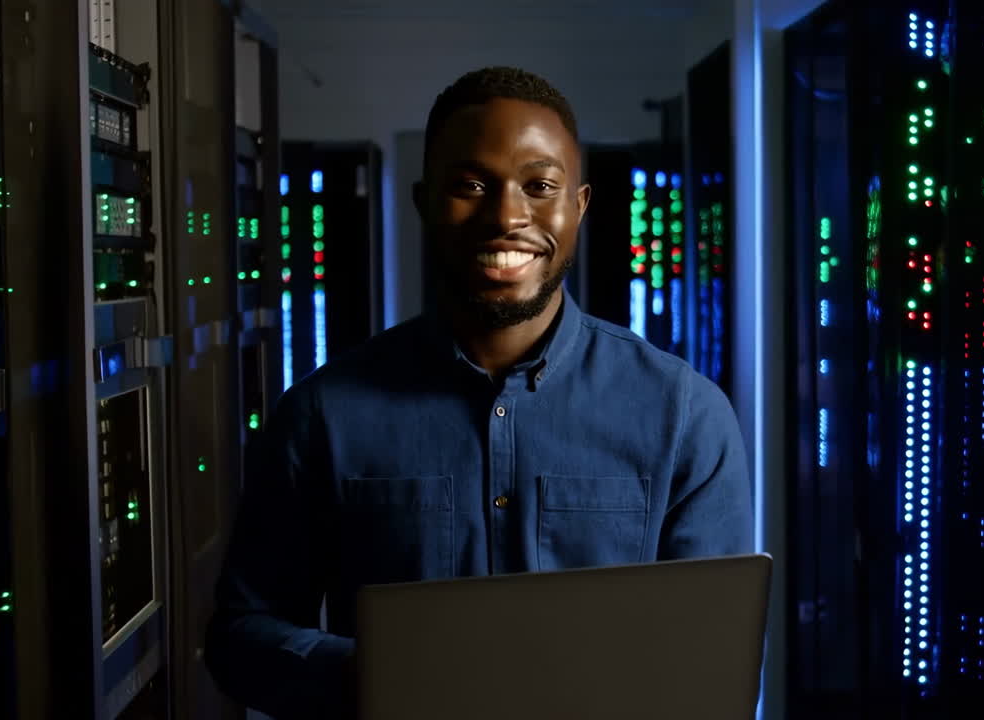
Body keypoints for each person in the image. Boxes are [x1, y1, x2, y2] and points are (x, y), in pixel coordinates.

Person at [204, 66, 752, 719]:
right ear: (424, 201)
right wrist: (382, 675)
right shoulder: (322, 415)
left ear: (578, 206)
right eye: (470, 185)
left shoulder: (686, 416)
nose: (506, 216)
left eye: (540, 186)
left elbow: (710, 664)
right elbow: (240, 637)